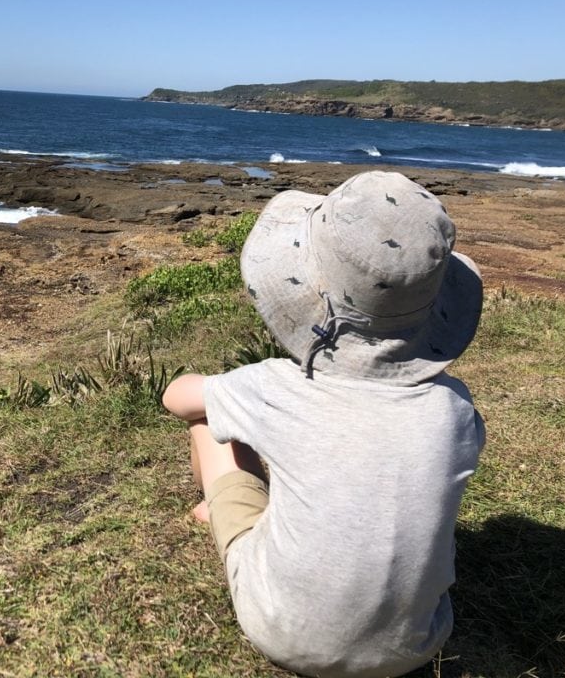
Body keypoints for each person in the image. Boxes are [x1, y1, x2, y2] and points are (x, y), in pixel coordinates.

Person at [163, 171, 485, 678]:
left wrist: (213, 383)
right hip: (419, 642)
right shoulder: (456, 410)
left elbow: (176, 399)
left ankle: (219, 510)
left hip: (284, 632)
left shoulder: (276, 387)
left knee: (207, 421)